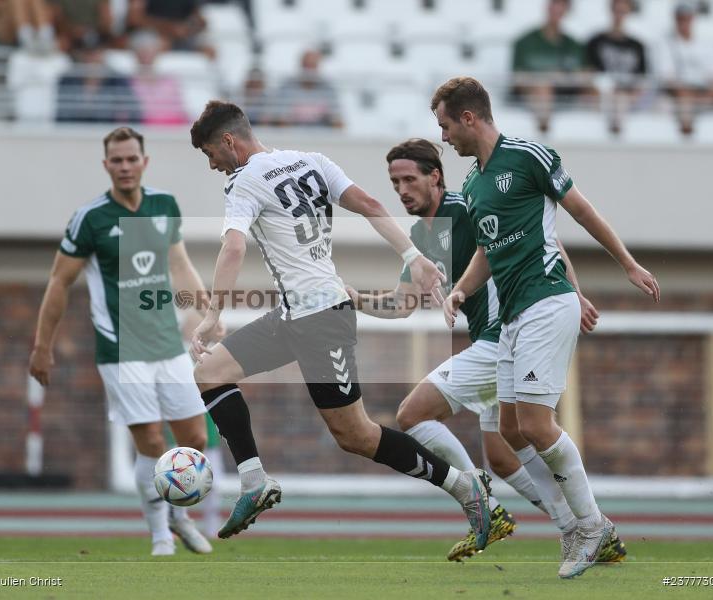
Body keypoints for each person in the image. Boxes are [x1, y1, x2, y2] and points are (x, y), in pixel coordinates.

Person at [187, 100, 493, 546]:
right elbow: (367, 203)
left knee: (357, 435)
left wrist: (214, 315)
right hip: (295, 314)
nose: (212, 164)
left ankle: (465, 487)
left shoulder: (242, 181)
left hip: (322, 319)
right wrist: (413, 256)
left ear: (229, 141)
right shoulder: (311, 161)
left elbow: (233, 248)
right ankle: (254, 482)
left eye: (210, 152)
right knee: (209, 373)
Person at [348, 138, 625, 564]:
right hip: (496, 341)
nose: (402, 190)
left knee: (412, 414)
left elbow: (536, 235)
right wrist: (357, 299)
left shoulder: (463, 208)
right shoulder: (425, 234)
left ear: (434, 177)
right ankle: (579, 526)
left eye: (409, 179)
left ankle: (481, 500)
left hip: (506, 334)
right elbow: (403, 303)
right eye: (394, 182)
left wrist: (572, 289)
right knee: (503, 452)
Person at [431, 76, 659, 578]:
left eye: (446, 126)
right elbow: (488, 250)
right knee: (511, 428)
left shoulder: (528, 155)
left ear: (469, 118)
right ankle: (583, 524)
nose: (444, 137)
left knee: (534, 424)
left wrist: (626, 262)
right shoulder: (472, 184)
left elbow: (579, 209)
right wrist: (462, 289)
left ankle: (592, 526)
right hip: (512, 316)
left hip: (546, 302)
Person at [28, 127, 216, 556]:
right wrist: (43, 345)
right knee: (150, 441)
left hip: (168, 343)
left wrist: (207, 312)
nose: (126, 167)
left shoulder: (163, 205)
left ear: (144, 162)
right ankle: (160, 536)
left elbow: (180, 264)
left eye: (132, 159)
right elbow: (59, 282)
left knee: (196, 439)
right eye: (117, 160)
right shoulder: (91, 219)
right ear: (106, 165)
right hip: (121, 349)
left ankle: (179, 514)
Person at [511, 0, 588, 133]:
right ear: (548, 7)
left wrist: (562, 78)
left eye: (562, 6)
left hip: (565, 95)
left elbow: (585, 75)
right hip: (531, 95)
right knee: (543, 87)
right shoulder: (525, 42)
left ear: (567, 11)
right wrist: (545, 79)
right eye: (555, 4)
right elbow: (517, 80)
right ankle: (544, 134)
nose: (557, 10)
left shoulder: (573, 45)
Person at [654, 1, 713, 136]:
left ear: (693, 18)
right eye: (680, 18)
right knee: (684, 102)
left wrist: (708, 93)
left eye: (687, 17)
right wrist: (690, 94)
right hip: (679, 97)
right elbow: (668, 80)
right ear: (675, 19)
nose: (684, 22)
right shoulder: (666, 44)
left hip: (703, 94)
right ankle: (687, 142)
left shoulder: (706, 44)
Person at [585, 0, 648, 134]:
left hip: (627, 96)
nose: (619, 15)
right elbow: (590, 71)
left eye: (622, 11)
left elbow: (642, 78)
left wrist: (632, 93)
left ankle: (617, 132)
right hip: (603, 94)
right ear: (610, 11)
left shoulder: (637, 45)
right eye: (616, 10)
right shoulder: (596, 41)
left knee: (621, 98)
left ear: (628, 13)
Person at [275, 49, 343, 128]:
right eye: (306, 65)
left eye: (313, 66)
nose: (309, 70)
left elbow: (338, 121)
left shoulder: (328, 89)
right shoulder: (287, 87)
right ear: (301, 65)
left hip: (322, 136)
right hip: (293, 135)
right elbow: (281, 120)